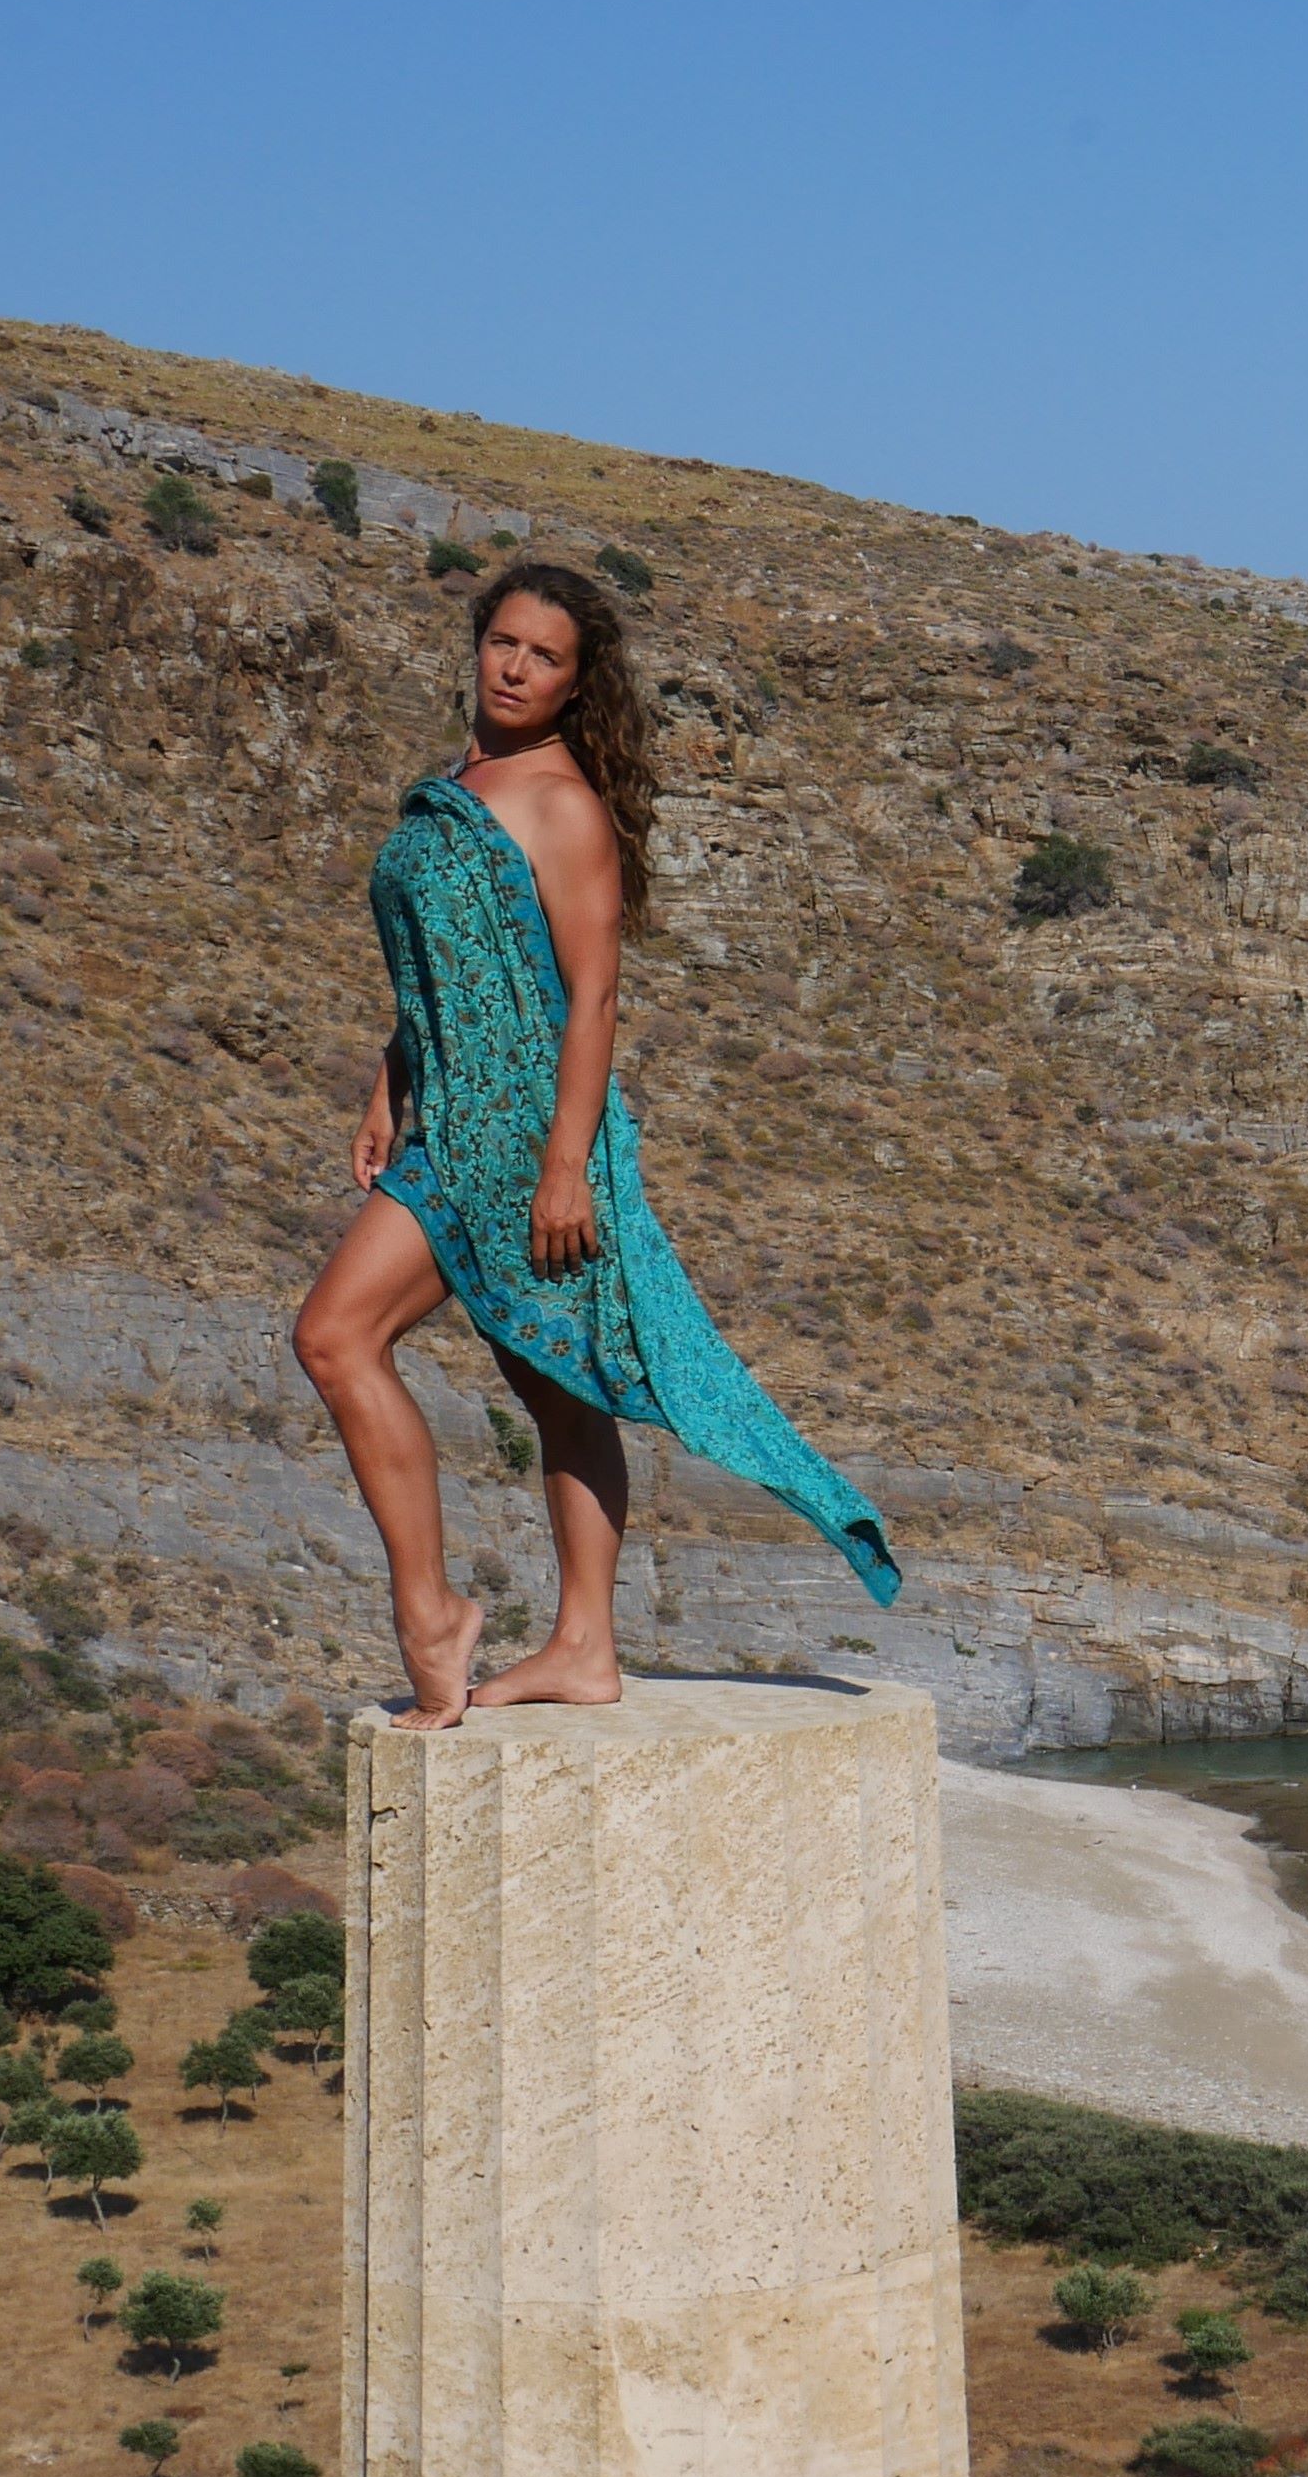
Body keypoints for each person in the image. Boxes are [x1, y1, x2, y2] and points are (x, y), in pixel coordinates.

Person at [291, 562, 897, 1725]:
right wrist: (388, 1084)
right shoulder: (457, 782)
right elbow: (451, 970)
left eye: (546, 657)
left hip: (527, 1139)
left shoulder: (562, 806)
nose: (516, 668)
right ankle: (582, 1649)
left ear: (577, 684)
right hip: (448, 1121)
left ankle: (438, 1618)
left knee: (340, 1336)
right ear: (477, 644)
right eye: (504, 643)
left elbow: (593, 998)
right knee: (549, 1384)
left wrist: (565, 1168)